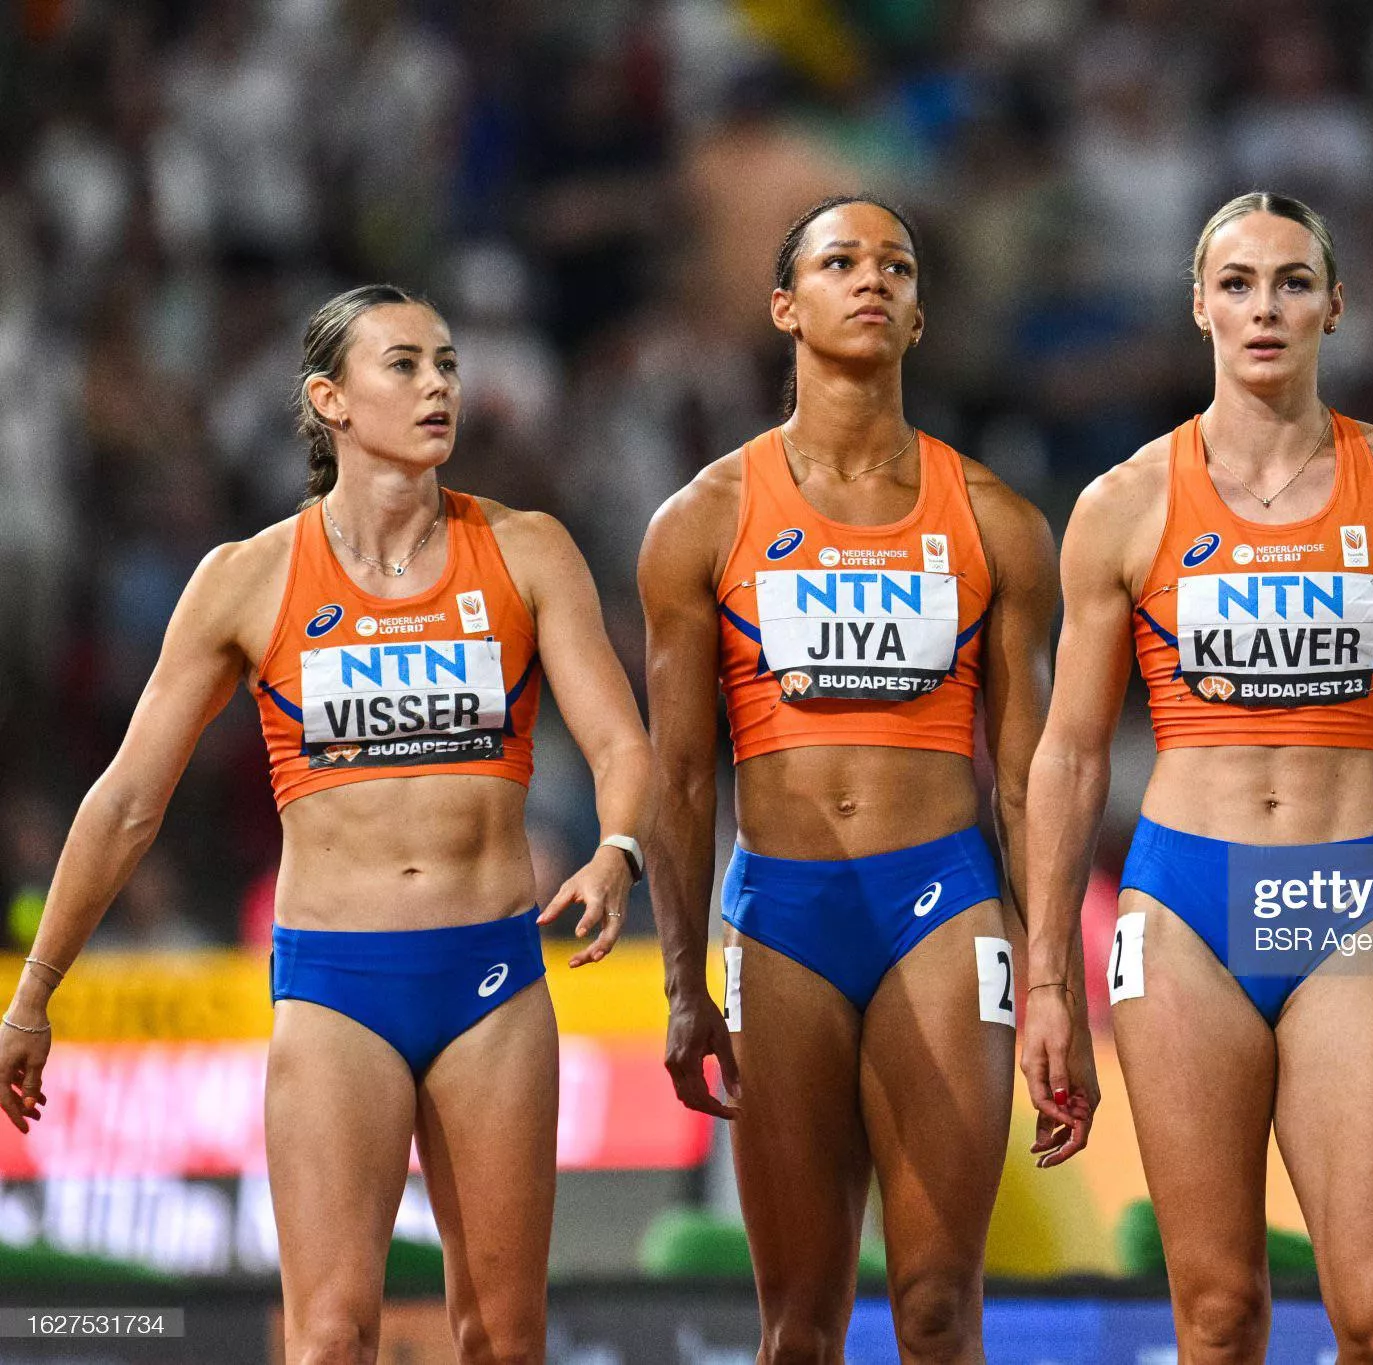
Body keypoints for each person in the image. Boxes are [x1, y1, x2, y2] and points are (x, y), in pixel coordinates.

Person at [0, 284, 654, 1365]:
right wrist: (34, 993)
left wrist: (618, 848)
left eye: (447, 364)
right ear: (328, 400)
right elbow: (125, 800)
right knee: (329, 1336)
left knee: (503, 1336)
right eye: (405, 364)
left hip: (491, 978)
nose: (439, 385)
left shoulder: (528, 551)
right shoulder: (247, 579)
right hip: (336, 986)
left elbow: (623, 746)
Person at [1021, 191, 1373, 1362]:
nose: (1264, 307)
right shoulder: (1122, 505)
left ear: (1334, 306)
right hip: (1184, 905)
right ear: (1199, 308)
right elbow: (1069, 754)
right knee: (1218, 1314)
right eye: (1236, 284)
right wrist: (1045, 980)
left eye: (1291, 282)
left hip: (1343, 901)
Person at [640, 196, 1065, 1364]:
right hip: (781, 915)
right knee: (797, 1327)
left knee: (935, 1310)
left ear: (919, 316)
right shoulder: (701, 522)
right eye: (840, 262)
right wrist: (680, 981)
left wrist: (1053, 985)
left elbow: (1027, 782)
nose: (871, 279)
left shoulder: (996, 522)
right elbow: (679, 781)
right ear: (785, 307)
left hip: (943, 904)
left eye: (896, 266)